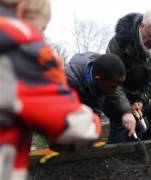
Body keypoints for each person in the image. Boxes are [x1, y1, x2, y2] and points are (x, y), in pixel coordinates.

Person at [0, 0, 101, 179]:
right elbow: (75, 128)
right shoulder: (22, 49)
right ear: (22, 8)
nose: (41, 35)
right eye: (43, 28)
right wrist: (55, 79)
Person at [105, 7, 151, 143]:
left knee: (138, 138)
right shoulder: (120, 42)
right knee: (119, 138)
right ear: (142, 26)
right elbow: (112, 80)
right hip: (118, 97)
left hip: (139, 102)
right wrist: (125, 110)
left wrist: (141, 100)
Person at [65, 52, 136, 137]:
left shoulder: (104, 75)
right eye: (112, 87)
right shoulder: (69, 83)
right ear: (97, 79)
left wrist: (126, 112)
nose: (115, 92)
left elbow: (96, 107)